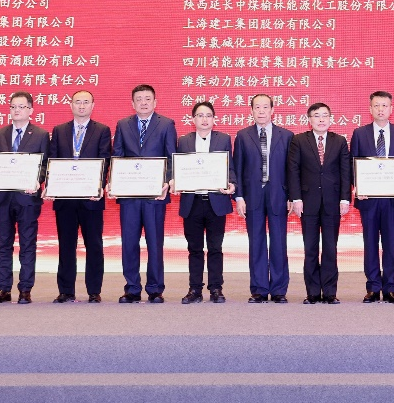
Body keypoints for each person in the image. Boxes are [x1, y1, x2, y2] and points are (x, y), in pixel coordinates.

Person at [110, 83, 176, 303]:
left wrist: (167, 182)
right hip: (129, 195)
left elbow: (171, 157)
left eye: (148, 99)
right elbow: (117, 156)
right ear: (132, 103)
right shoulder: (123, 124)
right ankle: (132, 288)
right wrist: (113, 182)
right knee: (129, 243)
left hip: (155, 195)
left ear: (155, 102)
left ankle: (155, 289)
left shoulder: (166, 124)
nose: (143, 102)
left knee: (154, 243)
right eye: (139, 99)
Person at [0, 91, 49, 304]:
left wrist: (37, 181)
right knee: (3, 243)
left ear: (31, 110)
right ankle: (3, 288)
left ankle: (25, 289)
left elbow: (45, 165)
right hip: (3, 198)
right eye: (13, 107)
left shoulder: (41, 135)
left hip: (27, 198)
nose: (16, 110)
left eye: (21, 106)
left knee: (27, 243)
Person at [47, 89, 112, 304]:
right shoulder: (59, 130)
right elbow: (53, 161)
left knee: (94, 245)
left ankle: (94, 290)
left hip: (90, 198)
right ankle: (66, 290)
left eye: (86, 102)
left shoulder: (102, 130)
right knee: (66, 245)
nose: (81, 106)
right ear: (71, 105)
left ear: (93, 106)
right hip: (65, 199)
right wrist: (51, 186)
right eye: (77, 102)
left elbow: (105, 161)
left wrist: (98, 187)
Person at [350, 90, 394, 304]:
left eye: (384, 105)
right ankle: (373, 287)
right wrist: (358, 186)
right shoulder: (360, 133)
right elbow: (353, 163)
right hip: (368, 199)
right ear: (370, 109)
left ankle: (390, 288)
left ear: (391, 109)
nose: (380, 109)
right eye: (376, 105)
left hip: (393, 199)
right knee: (370, 243)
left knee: (390, 244)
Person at [286, 102, 351, 304]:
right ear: (309, 119)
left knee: (330, 248)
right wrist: (296, 198)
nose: (321, 119)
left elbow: (345, 171)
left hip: (333, 202)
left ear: (330, 119)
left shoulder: (339, 141)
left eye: (325, 115)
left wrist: (345, 198)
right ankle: (313, 292)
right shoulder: (299, 140)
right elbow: (293, 170)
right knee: (311, 249)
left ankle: (330, 292)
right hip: (308, 202)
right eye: (316, 115)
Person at [232, 94, 293, 303]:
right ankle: (258, 288)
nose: (261, 111)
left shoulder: (287, 135)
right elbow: (237, 168)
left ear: (272, 110)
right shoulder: (242, 135)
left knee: (279, 243)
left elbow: (291, 170)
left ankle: (278, 290)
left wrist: (292, 196)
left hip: (278, 195)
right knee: (256, 242)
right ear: (251, 111)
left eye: (265, 107)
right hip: (252, 196)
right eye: (257, 107)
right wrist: (239, 197)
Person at [174, 100, 236, 304]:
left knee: (215, 248)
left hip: (215, 202)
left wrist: (232, 184)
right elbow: (178, 168)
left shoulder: (224, 139)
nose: (204, 119)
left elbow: (230, 167)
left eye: (208, 115)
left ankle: (216, 288)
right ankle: (195, 289)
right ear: (193, 119)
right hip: (192, 202)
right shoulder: (184, 141)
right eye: (200, 115)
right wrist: (175, 181)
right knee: (194, 248)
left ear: (214, 119)